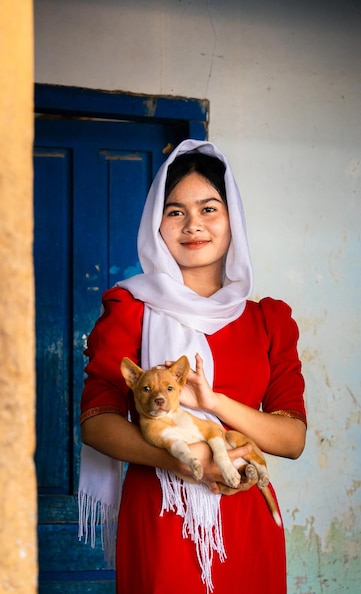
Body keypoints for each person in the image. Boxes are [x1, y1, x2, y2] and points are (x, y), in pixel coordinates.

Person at [79, 139, 306, 594]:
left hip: (244, 512)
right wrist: (182, 460)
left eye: (209, 209)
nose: (193, 225)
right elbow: (96, 423)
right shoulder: (129, 309)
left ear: (232, 220)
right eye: (176, 211)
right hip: (161, 512)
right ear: (156, 225)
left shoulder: (268, 320)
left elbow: (292, 439)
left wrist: (213, 401)